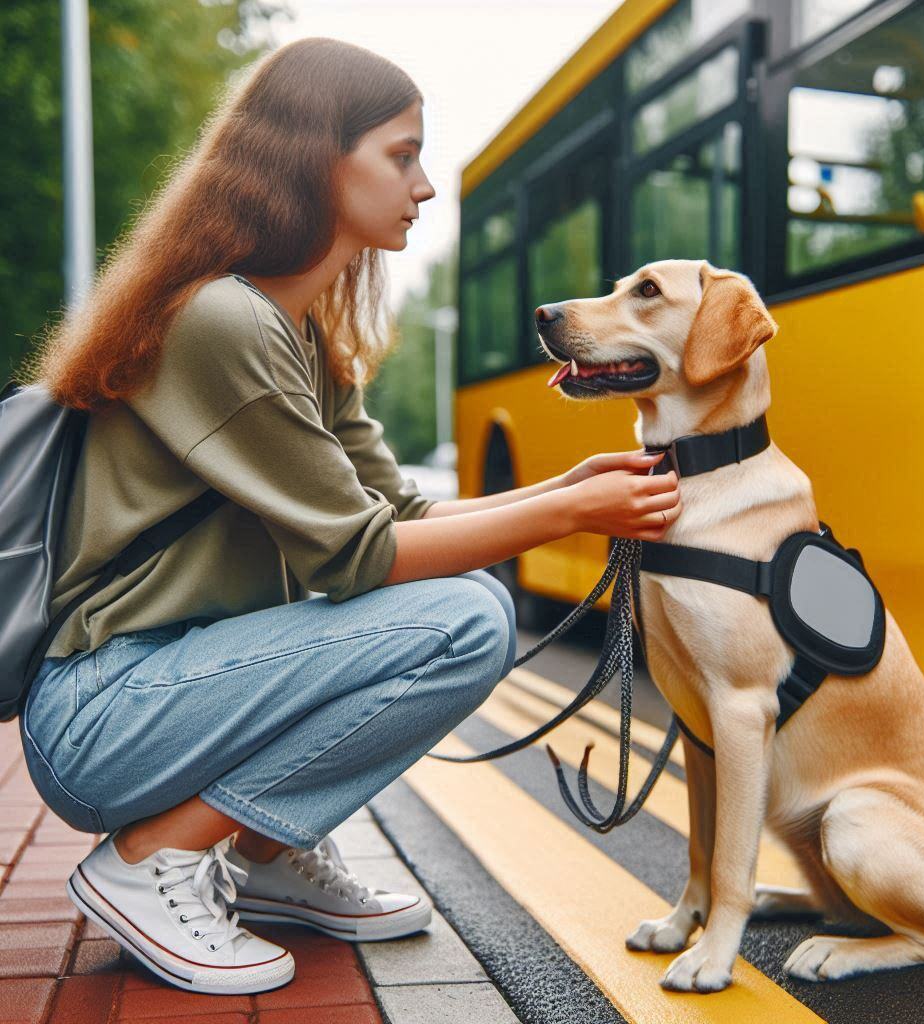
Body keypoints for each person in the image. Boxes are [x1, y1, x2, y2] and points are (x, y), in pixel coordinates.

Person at [14, 37, 682, 995]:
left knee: (460, 600)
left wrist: (564, 489)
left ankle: (262, 853)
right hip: (105, 710)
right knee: (466, 618)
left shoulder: (300, 336)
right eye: (400, 155)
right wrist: (571, 513)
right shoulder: (222, 322)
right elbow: (358, 555)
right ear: (314, 157)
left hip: (172, 688)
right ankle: (149, 860)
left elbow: (403, 509)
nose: (423, 186)